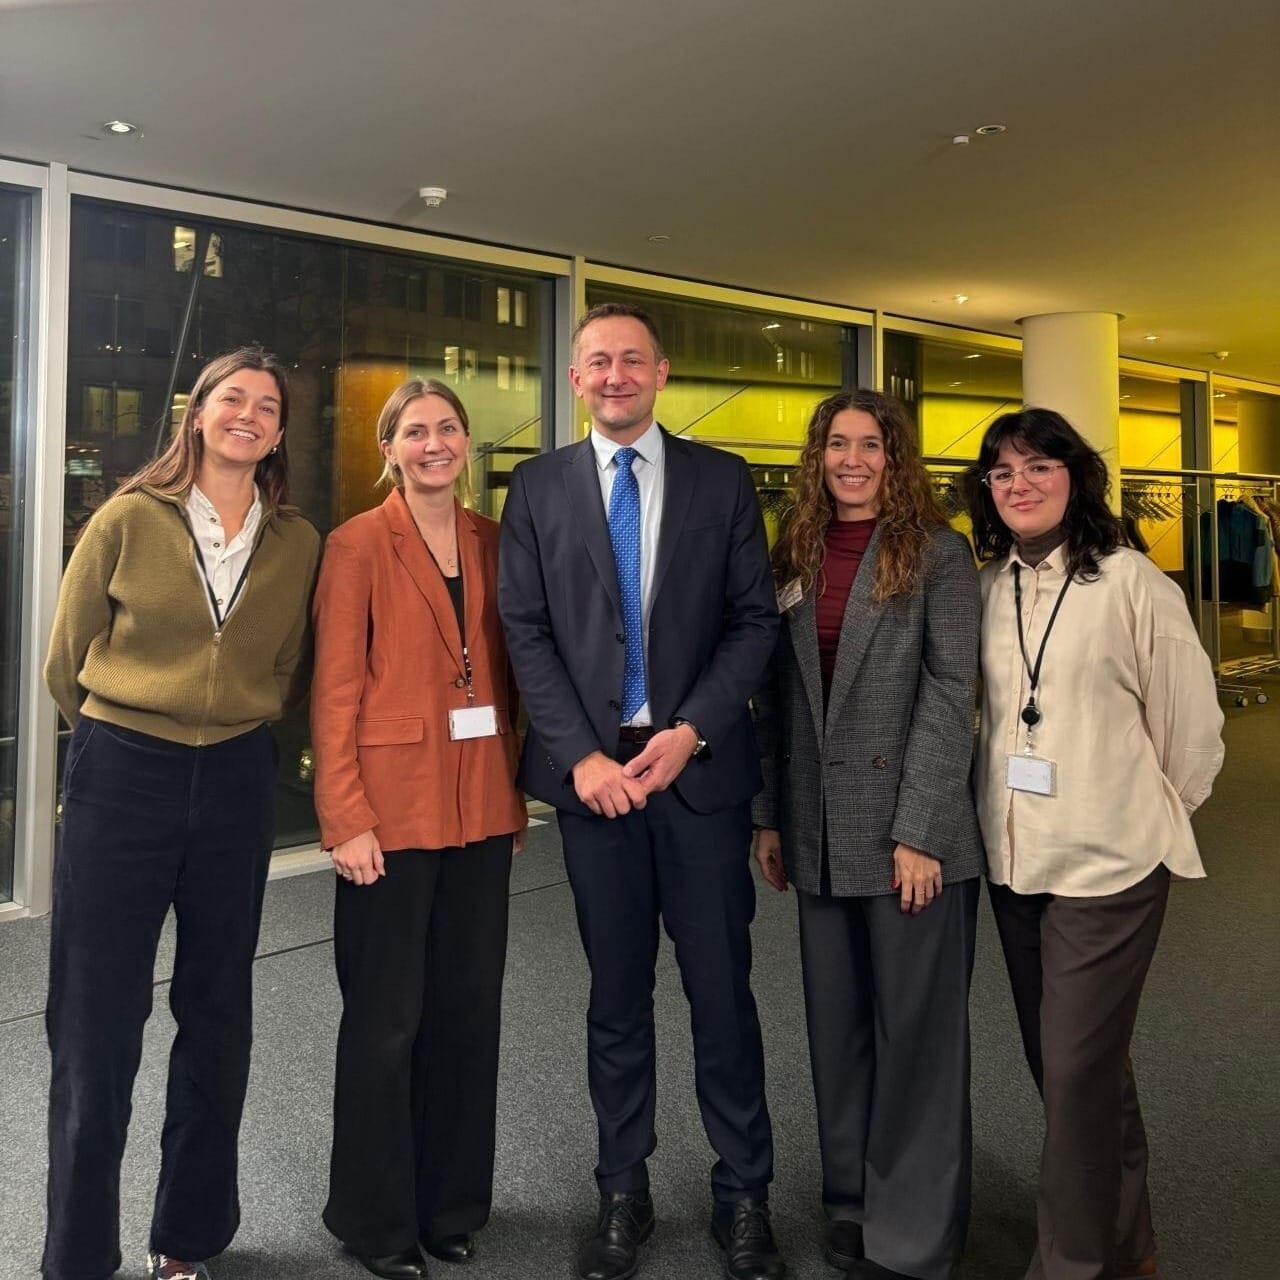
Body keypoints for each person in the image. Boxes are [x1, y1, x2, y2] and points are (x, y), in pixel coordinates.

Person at [498, 302, 784, 1280]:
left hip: (697, 774)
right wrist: (578, 755)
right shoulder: (537, 486)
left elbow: (753, 620)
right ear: (575, 378)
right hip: (597, 787)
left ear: (661, 372)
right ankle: (621, 1187)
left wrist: (691, 727)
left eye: (632, 359)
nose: (614, 374)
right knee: (615, 996)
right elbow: (525, 629)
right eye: (597, 361)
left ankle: (743, 1192)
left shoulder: (720, 479)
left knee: (721, 994)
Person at [42, 347, 320, 1280]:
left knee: (217, 1010)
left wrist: (227, 718)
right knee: (96, 1019)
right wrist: (132, 732)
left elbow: (286, 665)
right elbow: (67, 659)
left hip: (236, 778)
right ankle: (79, 1255)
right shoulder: (128, 518)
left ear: (279, 434)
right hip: (124, 772)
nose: (249, 415)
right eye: (232, 398)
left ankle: (188, 1241)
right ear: (197, 414)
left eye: (267, 406)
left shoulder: (298, 542)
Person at [964, 407, 1224, 1280]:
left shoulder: (1132, 583)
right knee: (1075, 1068)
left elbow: (1193, 731)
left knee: (1075, 1072)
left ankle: (1069, 1263)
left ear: (1075, 477)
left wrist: (1137, 811)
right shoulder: (989, 586)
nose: (1020, 484)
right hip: (1015, 859)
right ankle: (1129, 1241)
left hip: (1110, 865)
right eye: (1003, 472)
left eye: (1039, 466)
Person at [752, 390, 983, 1280]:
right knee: (837, 1027)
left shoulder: (938, 553)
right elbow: (773, 698)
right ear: (817, 457)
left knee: (915, 1036)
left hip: (908, 837)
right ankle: (851, 1198)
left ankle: (914, 1228)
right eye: (837, 444)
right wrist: (770, 816)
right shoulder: (795, 551)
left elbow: (950, 693)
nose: (853, 460)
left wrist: (919, 831)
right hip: (815, 829)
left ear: (896, 458)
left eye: (871, 445)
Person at [311, 379, 526, 1280]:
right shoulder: (357, 543)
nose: (433, 443)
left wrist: (512, 794)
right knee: (385, 1021)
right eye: (414, 431)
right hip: (387, 817)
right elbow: (334, 691)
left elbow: (510, 675)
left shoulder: (497, 540)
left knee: (468, 1014)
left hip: (480, 808)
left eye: (447, 428)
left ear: (467, 443)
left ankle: (450, 1206)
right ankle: (375, 1220)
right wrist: (345, 818)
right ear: (388, 448)